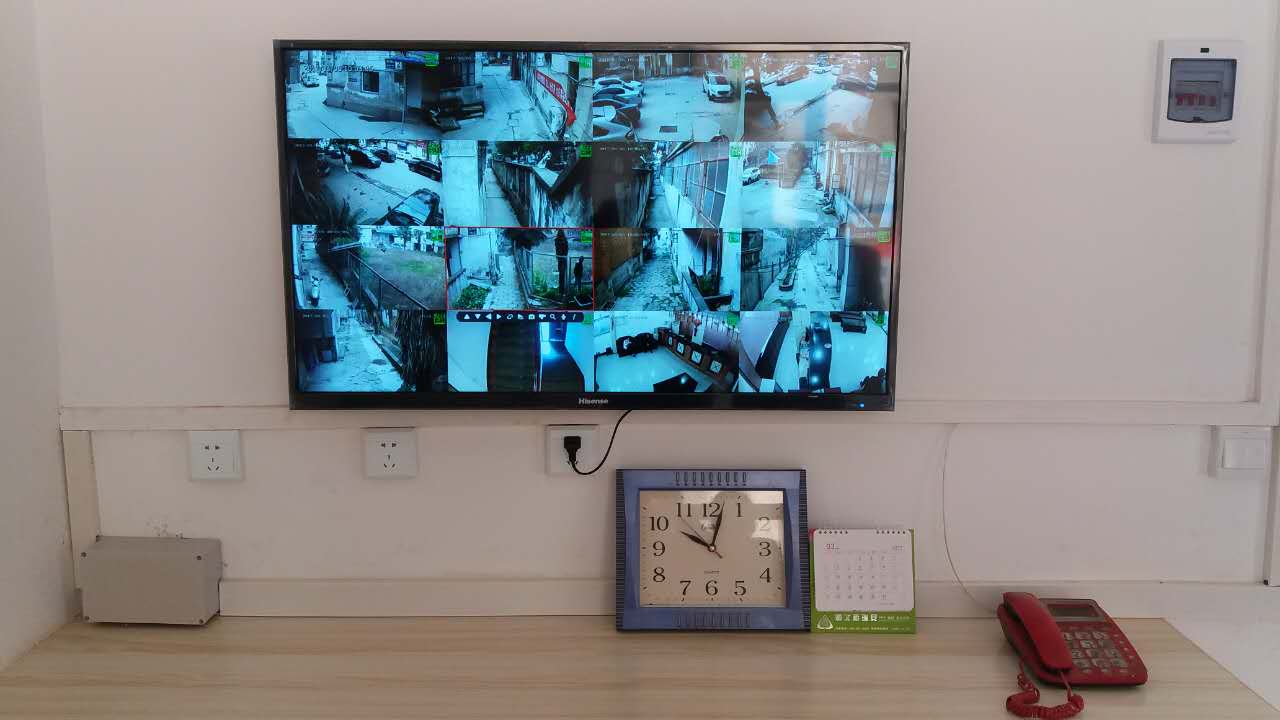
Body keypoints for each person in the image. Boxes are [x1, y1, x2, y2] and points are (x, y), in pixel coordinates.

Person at [554, 230, 569, 298]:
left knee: (561, 275)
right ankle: (562, 291)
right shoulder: (563, 240)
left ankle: (561, 291)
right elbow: (566, 250)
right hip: (562, 259)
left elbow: (563, 250)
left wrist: (560, 256)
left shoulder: (558, 240)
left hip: (561, 259)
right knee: (562, 275)